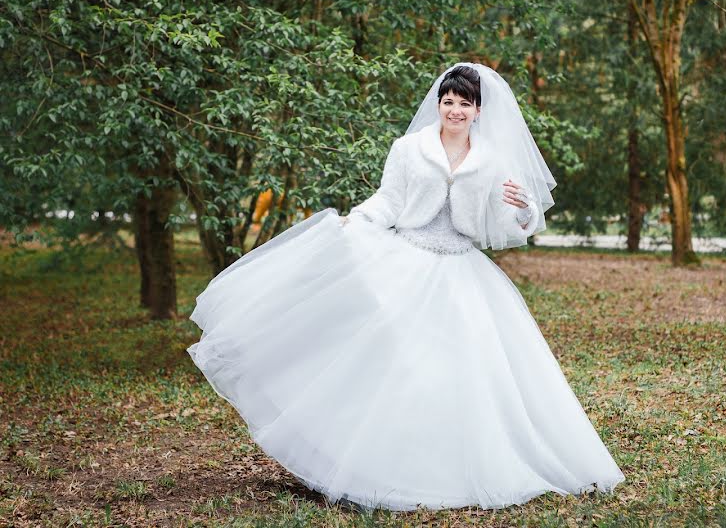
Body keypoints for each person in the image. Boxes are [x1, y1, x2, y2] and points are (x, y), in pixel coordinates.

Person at [186, 62, 625, 512]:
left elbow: (507, 224)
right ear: (439, 104)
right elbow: (389, 199)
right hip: (406, 259)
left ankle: (453, 467)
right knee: (396, 364)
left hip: (462, 270)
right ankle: (374, 467)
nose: (455, 110)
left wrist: (526, 208)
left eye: (464, 104)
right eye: (448, 101)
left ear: (478, 111)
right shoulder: (409, 148)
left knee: (465, 371)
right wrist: (355, 222)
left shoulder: (492, 160)